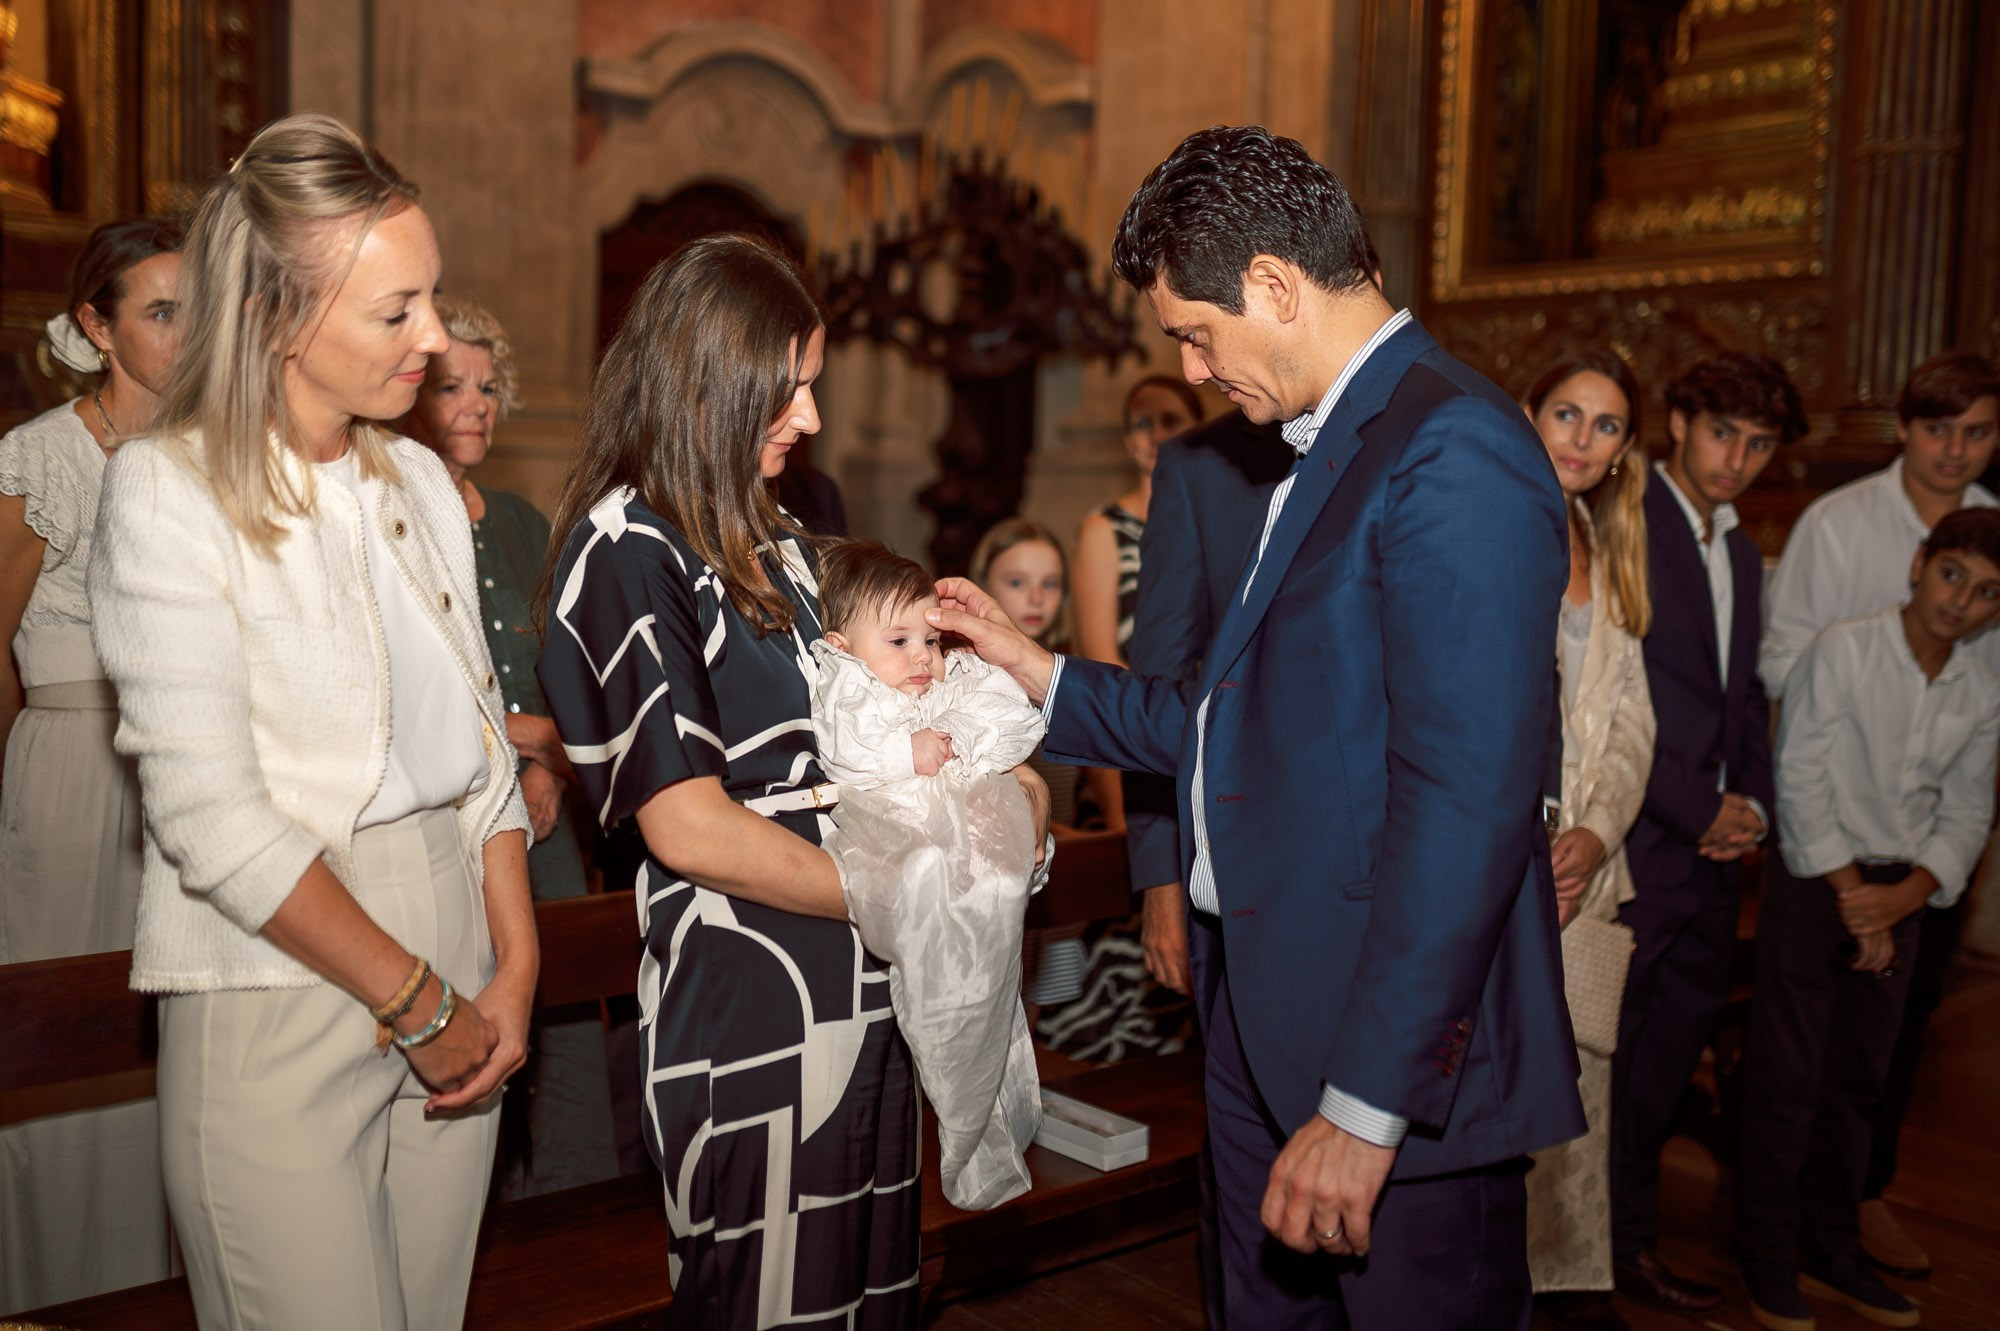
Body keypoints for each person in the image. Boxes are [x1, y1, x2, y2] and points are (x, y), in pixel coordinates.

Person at [933, 124, 1581, 1330]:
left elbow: (1467, 803)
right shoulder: (1327, 440)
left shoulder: (1450, 445)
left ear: (1273, 286)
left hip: (1385, 1050)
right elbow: (1232, 720)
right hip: (1264, 1008)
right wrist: (1036, 670)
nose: (1190, 369)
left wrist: (1367, 1105)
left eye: (1194, 331)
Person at [535, 233, 1050, 1328]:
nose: (810, 417)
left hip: (864, 987)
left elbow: (892, 719)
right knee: (771, 1300)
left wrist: (997, 794)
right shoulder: (627, 548)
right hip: (752, 996)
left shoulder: (783, 546)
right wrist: (914, 891)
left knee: (871, 1295)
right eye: (789, 387)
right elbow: (689, 827)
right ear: (710, 381)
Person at [87, 113, 534, 1331]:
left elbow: (484, 755)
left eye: (430, 297)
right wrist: (417, 1002)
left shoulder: (421, 481)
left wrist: (513, 965)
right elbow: (210, 817)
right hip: (278, 965)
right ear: (277, 318)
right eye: (396, 311)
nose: (433, 337)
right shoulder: (167, 490)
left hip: (459, 930)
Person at [1757, 350, 2000, 1281]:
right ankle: (1775, 1233)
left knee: (1880, 1054)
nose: (1956, 449)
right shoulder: (1839, 523)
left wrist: (1907, 889)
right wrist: (1870, 689)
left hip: (1918, 843)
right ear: (1905, 428)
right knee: (1793, 1063)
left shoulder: (1991, 542)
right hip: (1828, 830)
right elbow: (1786, 668)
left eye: (1978, 432)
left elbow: (1976, 750)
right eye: (1939, 428)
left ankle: (1852, 1207)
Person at [394, 295, 617, 1200]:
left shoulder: (524, 522)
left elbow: (566, 664)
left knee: (566, 1025)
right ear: (409, 390)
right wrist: (544, 745)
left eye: (489, 388)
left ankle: (576, 1223)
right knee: (464, 1023)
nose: (477, 405)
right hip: (443, 811)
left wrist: (545, 769)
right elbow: (414, 688)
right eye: (453, 386)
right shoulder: (390, 509)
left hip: (541, 819)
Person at [0, 217, 182, 1311]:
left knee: (169, 1058)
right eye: (160, 310)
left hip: (180, 783)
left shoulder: (216, 457)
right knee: (59, 1048)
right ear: (96, 327)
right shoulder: (41, 456)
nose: (186, 330)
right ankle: (47, 1296)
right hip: (69, 779)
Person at [1610, 351, 1804, 1316]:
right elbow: (1608, 696)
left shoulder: (1739, 546)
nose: (1738, 459)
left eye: (1759, 444)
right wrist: (1696, 809)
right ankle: (1597, 1253)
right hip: (1642, 842)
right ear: (1680, 421)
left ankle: (1629, 1241)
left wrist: (1754, 806)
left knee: (1665, 1067)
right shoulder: (1626, 520)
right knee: (1613, 1065)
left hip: (1716, 857)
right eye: (1723, 433)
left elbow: (1744, 698)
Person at [810, 539, 1047, 1210]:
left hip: (977, 870)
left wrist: (962, 736)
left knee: (995, 996)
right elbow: (841, 744)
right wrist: (905, 749)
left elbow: (1013, 716)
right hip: (902, 865)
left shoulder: (948, 686)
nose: (922, 656)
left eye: (931, 640)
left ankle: (989, 1117)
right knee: (946, 1004)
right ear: (841, 647)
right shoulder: (849, 689)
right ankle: (968, 1122)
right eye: (899, 640)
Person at [1517, 351, 1657, 1331]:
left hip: (1583, 864)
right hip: (1499, 855)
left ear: (1622, 449)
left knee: (1578, 1080)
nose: (1581, 437)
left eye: (1605, 424)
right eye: (1566, 412)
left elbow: (1631, 717)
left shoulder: (1602, 544)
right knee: (1495, 1084)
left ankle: (1567, 1280)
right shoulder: (1493, 520)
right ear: (1528, 413)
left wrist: (1599, 831)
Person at [1070, 373, 1205, 830]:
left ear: (1197, 429)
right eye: (1142, 424)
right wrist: (1120, 811)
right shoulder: (1104, 529)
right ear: (1128, 440)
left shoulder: (1214, 523)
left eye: (1171, 420)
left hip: (1205, 733)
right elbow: (1100, 664)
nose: (1156, 434)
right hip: (1130, 741)